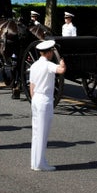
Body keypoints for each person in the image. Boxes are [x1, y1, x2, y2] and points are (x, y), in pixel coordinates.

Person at [28, 40, 66, 170]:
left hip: (36, 98)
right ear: (49, 52)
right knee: (42, 133)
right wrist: (61, 60)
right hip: (44, 99)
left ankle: (35, 162)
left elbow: (31, 86)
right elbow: (61, 70)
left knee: (36, 132)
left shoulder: (34, 66)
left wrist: (34, 99)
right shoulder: (48, 65)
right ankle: (40, 164)